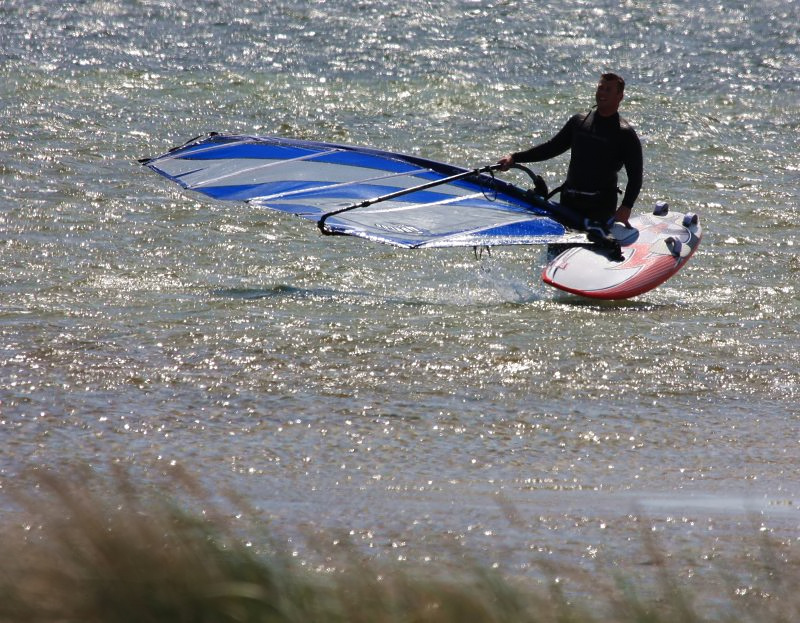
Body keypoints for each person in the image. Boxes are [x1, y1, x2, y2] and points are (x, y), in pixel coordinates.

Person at [497, 73, 642, 234]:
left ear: (620, 96)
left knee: (591, 254)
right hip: (569, 203)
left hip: (600, 208)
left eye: (608, 90)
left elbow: (635, 176)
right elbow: (551, 148)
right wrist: (515, 158)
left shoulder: (625, 133)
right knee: (558, 254)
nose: (602, 93)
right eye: (601, 88)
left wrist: (626, 206)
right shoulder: (579, 122)